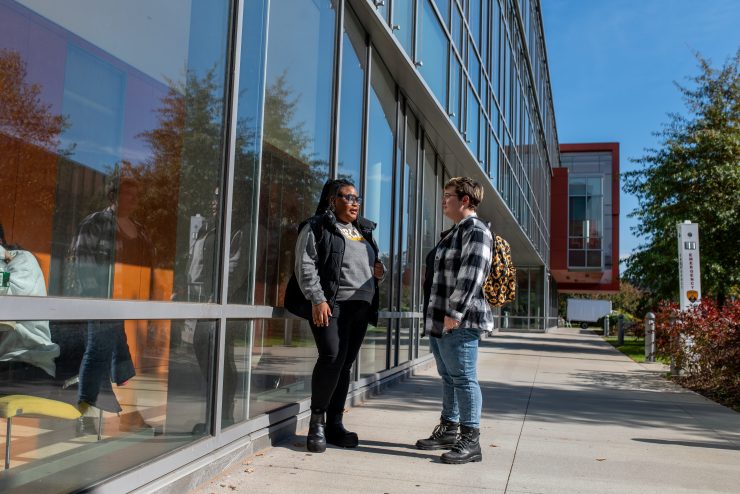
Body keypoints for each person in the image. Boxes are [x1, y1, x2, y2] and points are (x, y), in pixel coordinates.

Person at [284, 179, 385, 453]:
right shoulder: (316, 226)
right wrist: (317, 299)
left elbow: (372, 264)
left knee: (344, 364)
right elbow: (305, 265)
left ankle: (334, 425)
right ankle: (316, 422)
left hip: (360, 307)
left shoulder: (363, 229)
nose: (355, 203)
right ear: (332, 199)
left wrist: (379, 272)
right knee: (331, 357)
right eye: (348, 197)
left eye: (357, 198)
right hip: (333, 304)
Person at [416, 177, 493, 464]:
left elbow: (472, 274)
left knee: (464, 379)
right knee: (449, 377)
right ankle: (449, 429)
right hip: (441, 319)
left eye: (448, 195)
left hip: (459, 321)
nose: (443, 200)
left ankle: (471, 442)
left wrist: (455, 313)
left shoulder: (476, 230)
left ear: (464, 200)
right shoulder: (453, 233)